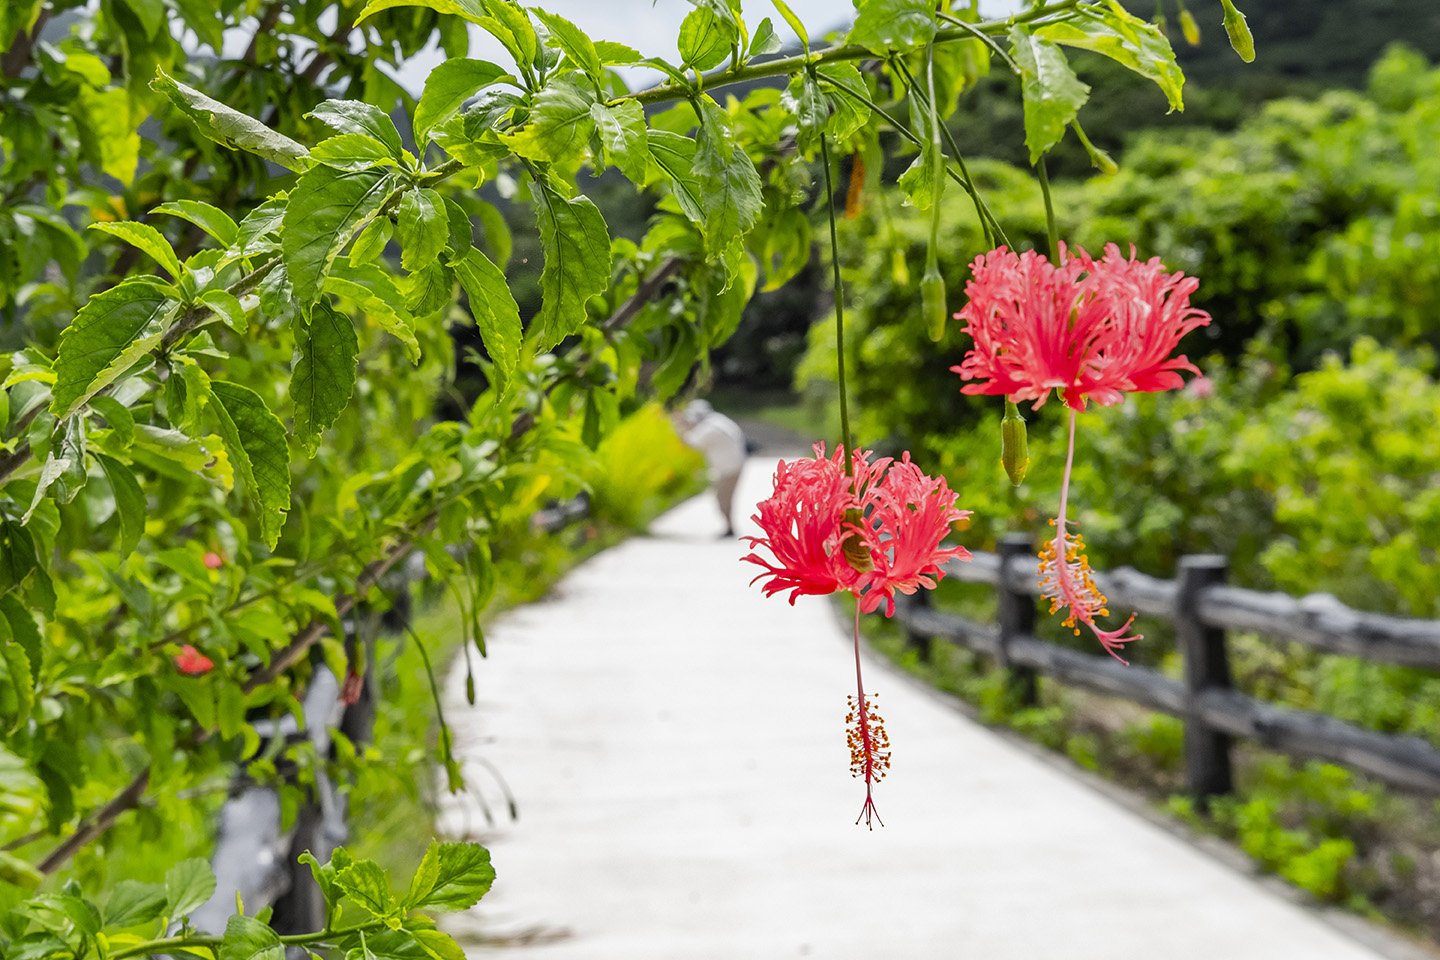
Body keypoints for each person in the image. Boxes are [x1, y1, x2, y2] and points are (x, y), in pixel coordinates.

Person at [674, 400, 747, 537]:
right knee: (725, 498)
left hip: (729, 468)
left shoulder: (709, 428)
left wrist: (680, 426)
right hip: (734, 465)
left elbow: (689, 443)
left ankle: (730, 528)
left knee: (722, 498)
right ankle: (729, 527)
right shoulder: (718, 420)